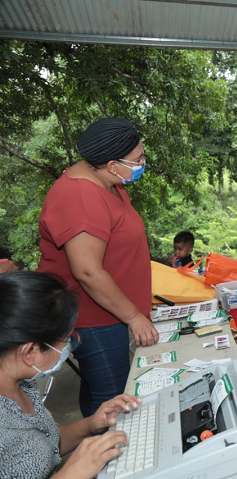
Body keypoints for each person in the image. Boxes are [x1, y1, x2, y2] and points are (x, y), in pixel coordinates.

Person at [37, 117, 158, 417]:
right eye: (137, 159)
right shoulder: (80, 197)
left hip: (109, 314)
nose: (142, 163)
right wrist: (133, 316)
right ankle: (111, 459)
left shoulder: (107, 181)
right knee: (113, 401)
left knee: (97, 393)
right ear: (111, 163)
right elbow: (87, 271)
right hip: (94, 319)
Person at [0, 271, 141, 479]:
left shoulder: (23, 386)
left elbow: (46, 446)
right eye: (65, 340)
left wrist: (92, 424)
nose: (68, 347)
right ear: (30, 352)